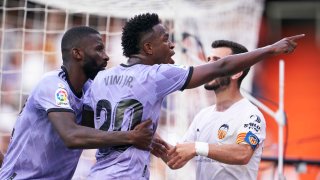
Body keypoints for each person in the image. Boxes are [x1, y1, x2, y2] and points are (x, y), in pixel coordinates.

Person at [83, 13, 303, 179]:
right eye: (165, 39)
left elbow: (242, 153)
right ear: (148, 47)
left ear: (236, 72)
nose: (171, 45)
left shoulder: (101, 78)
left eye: (215, 61)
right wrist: (270, 49)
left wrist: (156, 142)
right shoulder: (160, 79)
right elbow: (177, 158)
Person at [0, 26, 154, 180]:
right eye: (99, 49)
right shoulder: (53, 85)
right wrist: (131, 137)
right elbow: (71, 136)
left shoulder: (89, 90)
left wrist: (154, 141)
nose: (106, 56)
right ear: (77, 53)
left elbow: (110, 123)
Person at [163, 40, 266, 180]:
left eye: (217, 63)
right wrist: (153, 141)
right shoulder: (203, 115)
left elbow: (243, 153)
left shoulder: (251, 114)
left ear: (236, 73)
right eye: (208, 61)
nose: (209, 67)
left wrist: (197, 147)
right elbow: (175, 161)